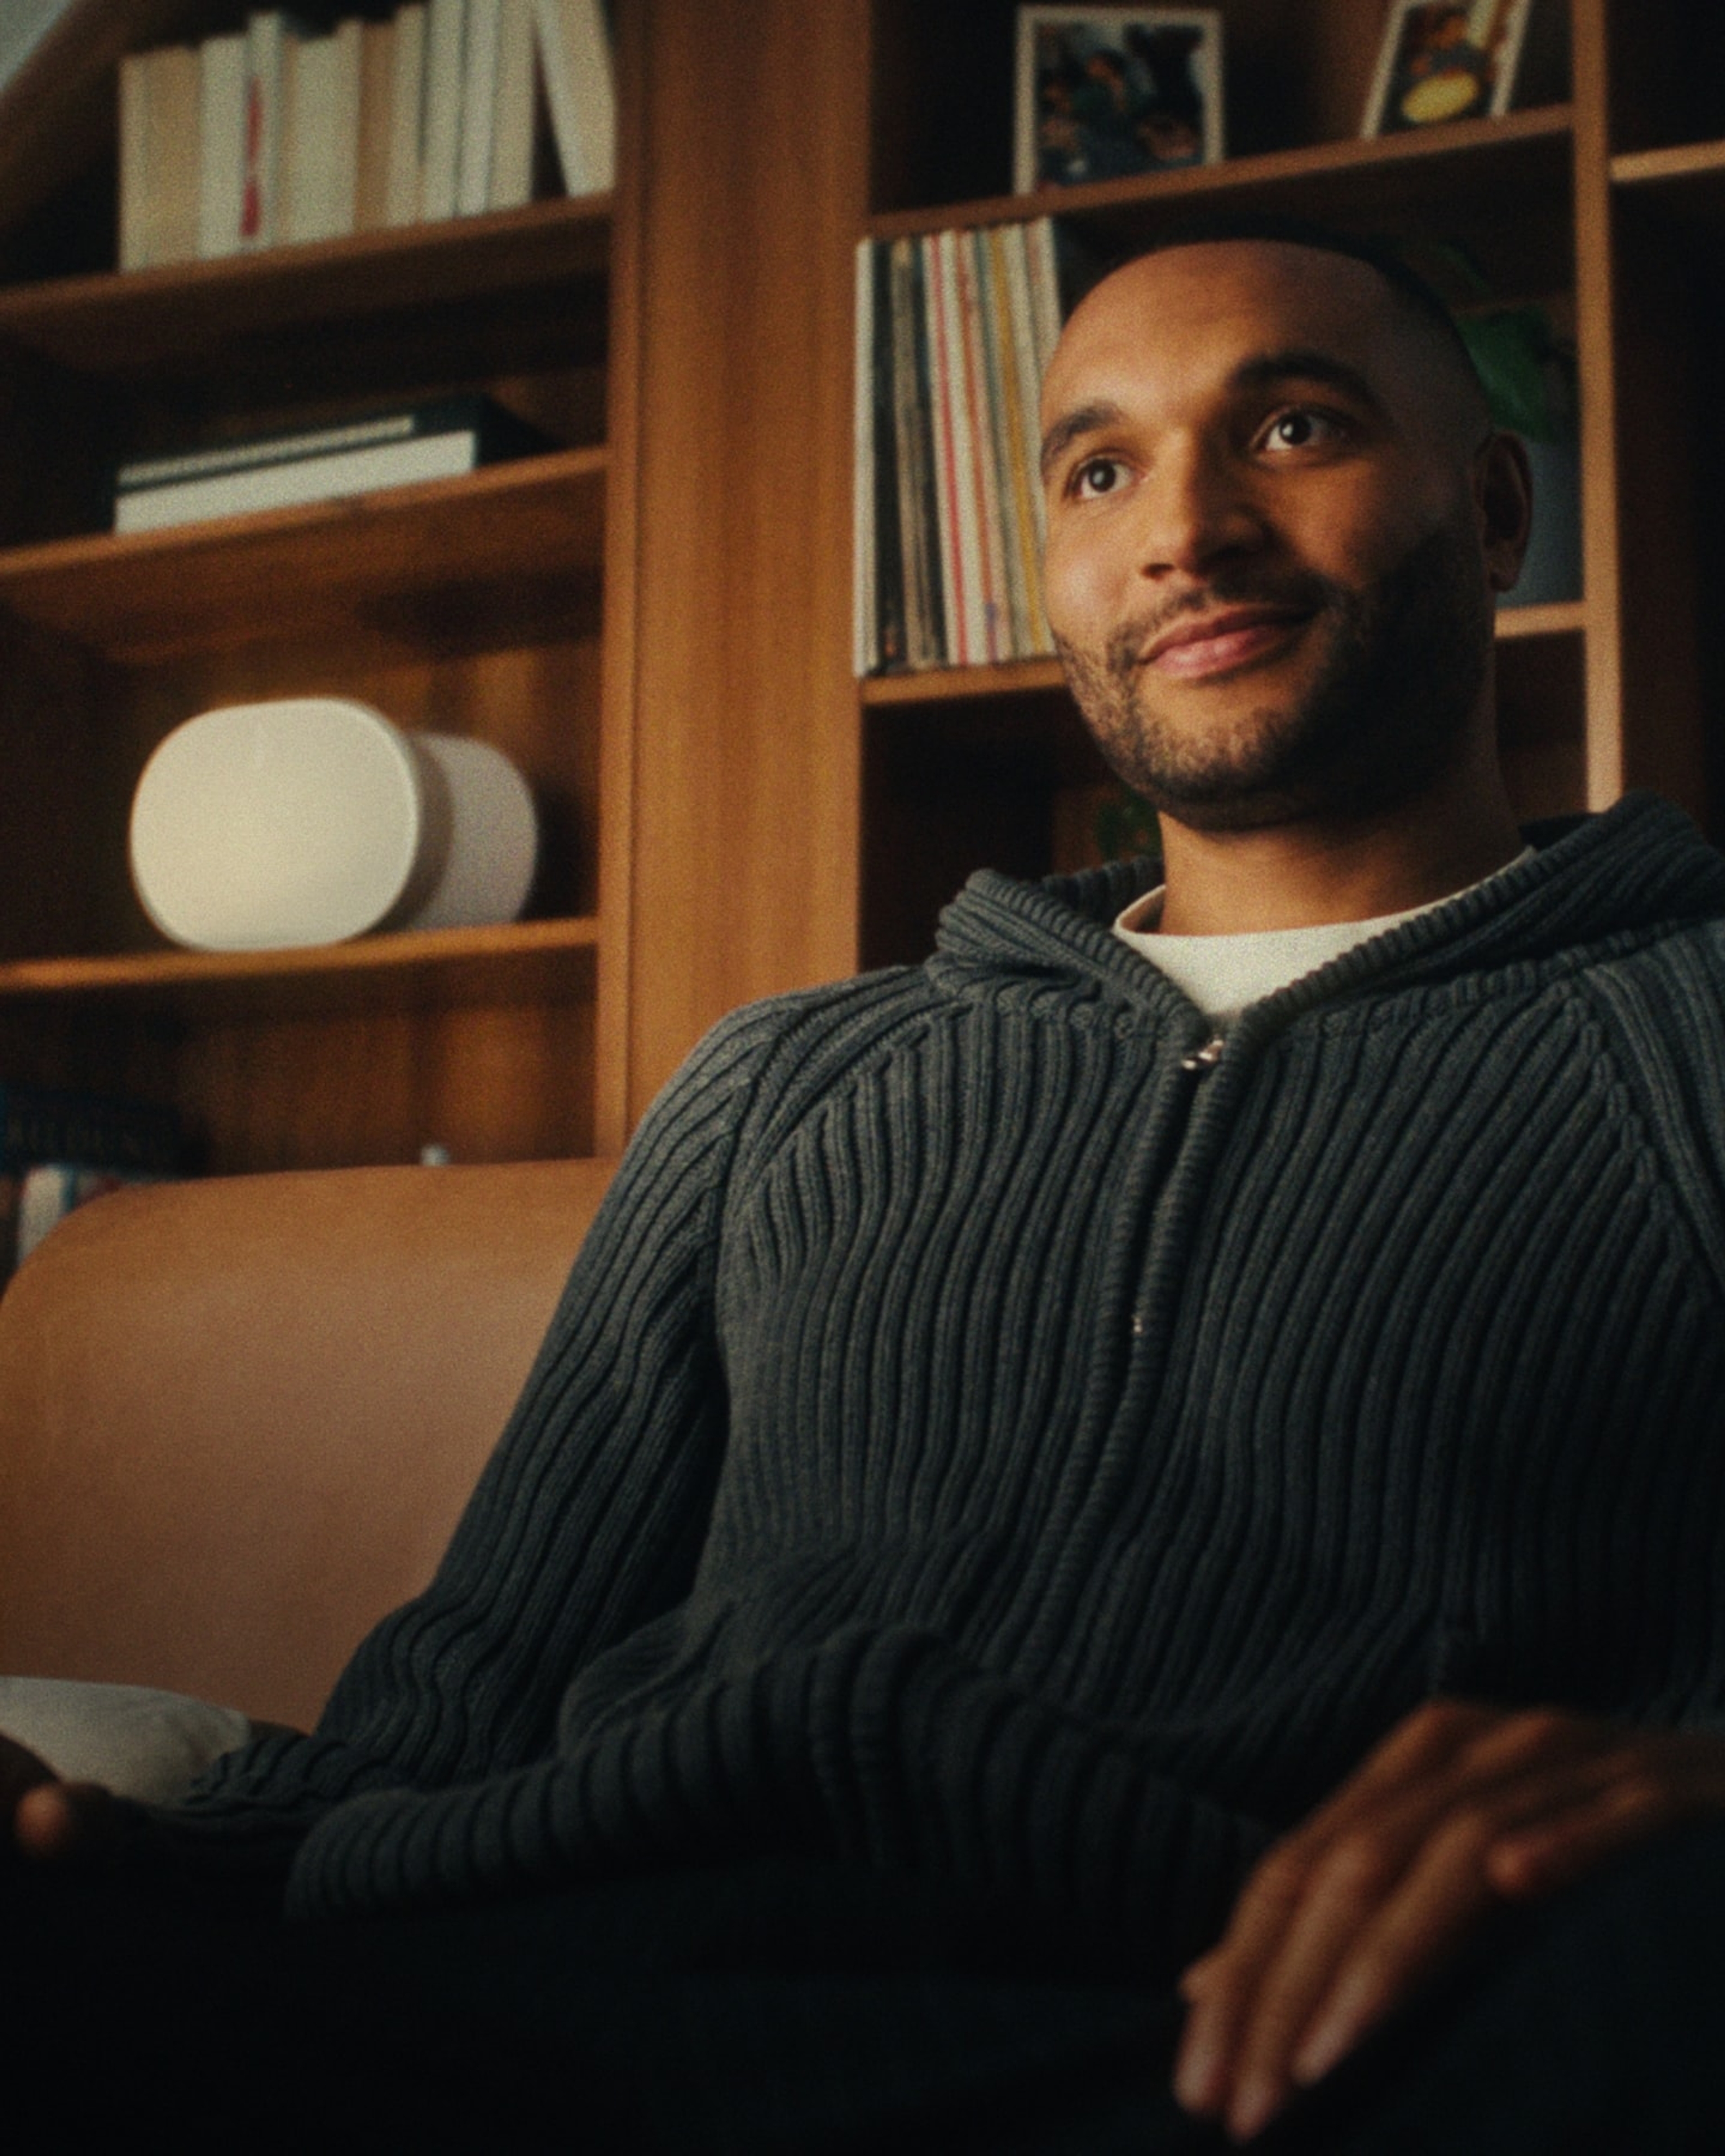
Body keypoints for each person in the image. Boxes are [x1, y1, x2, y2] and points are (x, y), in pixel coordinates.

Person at [8, 218, 1725, 2152]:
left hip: (1251, 2037)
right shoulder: (782, 1084)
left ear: (1493, 512)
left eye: (1296, 428)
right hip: (554, 1991)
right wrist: (114, 1838)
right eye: (1100, 471)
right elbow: (455, 1705)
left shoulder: (1694, 1033)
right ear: (1052, 575)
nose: (1185, 529)